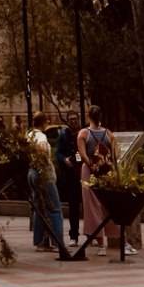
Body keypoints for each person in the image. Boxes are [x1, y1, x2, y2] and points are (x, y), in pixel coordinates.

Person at [77, 105, 118, 251]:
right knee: (107, 205)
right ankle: (113, 237)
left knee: (92, 206)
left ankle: (99, 242)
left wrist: (92, 165)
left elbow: (82, 155)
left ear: (88, 116)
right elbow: (114, 156)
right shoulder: (109, 134)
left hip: (89, 171)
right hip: (106, 171)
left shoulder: (83, 134)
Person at [29, 113, 65, 252]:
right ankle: (58, 242)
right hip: (43, 174)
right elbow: (42, 150)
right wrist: (45, 167)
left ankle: (40, 241)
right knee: (54, 208)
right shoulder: (41, 137)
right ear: (43, 123)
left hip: (32, 172)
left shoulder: (29, 135)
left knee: (40, 208)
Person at [54, 112, 82, 243]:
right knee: (73, 206)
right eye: (71, 120)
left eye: (75, 119)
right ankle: (73, 236)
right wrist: (64, 160)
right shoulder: (63, 135)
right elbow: (58, 152)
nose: (73, 122)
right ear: (67, 121)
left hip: (83, 172)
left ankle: (92, 235)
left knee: (88, 206)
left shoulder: (83, 133)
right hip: (71, 175)